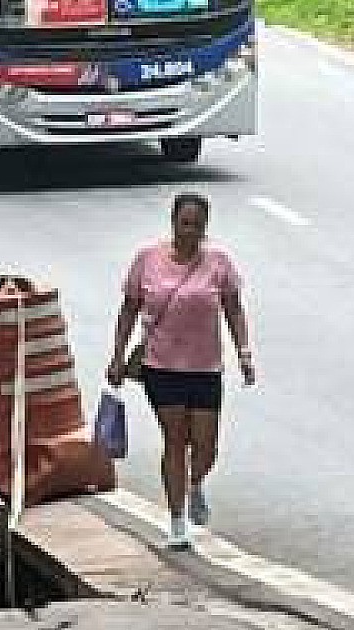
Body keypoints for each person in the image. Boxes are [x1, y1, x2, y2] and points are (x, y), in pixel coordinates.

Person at [106, 193, 255, 550]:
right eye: (185, 223)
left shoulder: (218, 262)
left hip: (205, 369)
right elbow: (129, 308)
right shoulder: (148, 259)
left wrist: (244, 353)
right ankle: (177, 521)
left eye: (198, 226)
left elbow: (234, 308)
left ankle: (194, 482)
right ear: (173, 222)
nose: (191, 231)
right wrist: (118, 355)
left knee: (205, 447)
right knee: (175, 439)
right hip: (161, 368)